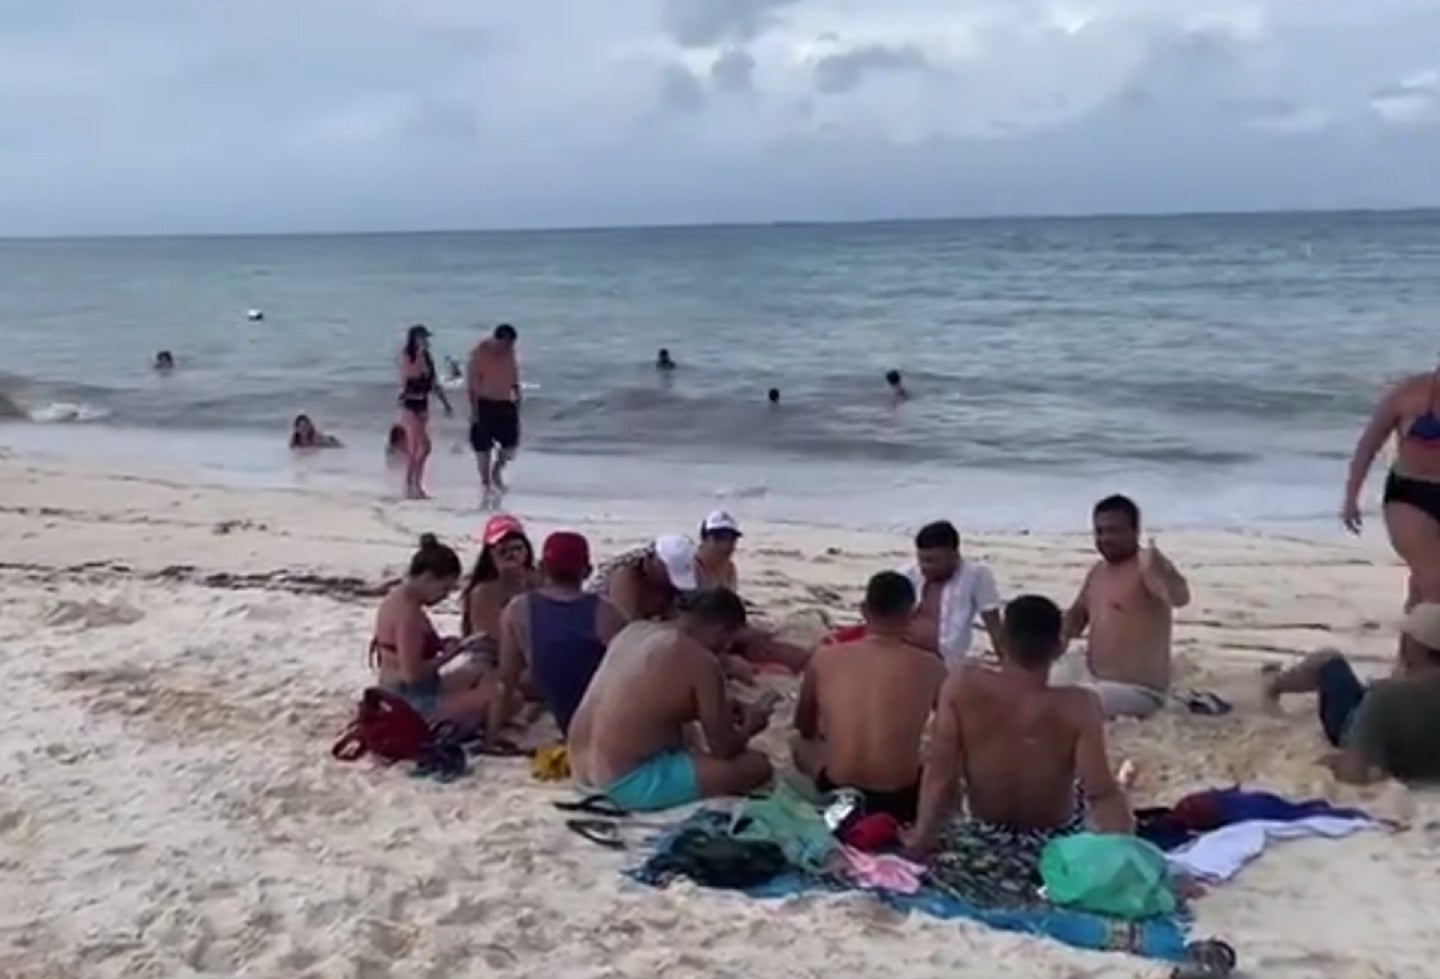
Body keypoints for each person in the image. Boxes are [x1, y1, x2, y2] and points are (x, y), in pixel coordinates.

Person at [905, 595, 1133, 858]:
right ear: (1059, 647)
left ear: (1001, 640)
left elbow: (940, 774)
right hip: (1051, 840)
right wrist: (1125, 850)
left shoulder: (962, 688)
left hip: (985, 832)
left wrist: (922, 838)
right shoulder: (1079, 706)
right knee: (1103, 789)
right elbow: (1100, 792)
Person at [568, 588, 773, 811]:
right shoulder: (700, 660)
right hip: (623, 784)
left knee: (686, 734)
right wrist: (752, 726)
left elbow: (655, 700)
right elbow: (724, 748)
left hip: (580, 768)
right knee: (756, 766)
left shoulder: (634, 631)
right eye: (728, 641)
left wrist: (722, 707)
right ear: (719, 629)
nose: (726, 649)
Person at [791, 572, 946, 822]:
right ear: (911, 614)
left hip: (837, 790)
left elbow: (803, 727)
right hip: (900, 799)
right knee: (932, 760)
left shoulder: (824, 657)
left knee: (799, 744)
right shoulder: (932, 666)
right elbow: (950, 736)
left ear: (864, 609)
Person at [1263, 604, 1440, 784]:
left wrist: (1331, 764)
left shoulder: (1386, 696)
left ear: (1417, 646)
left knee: (1329, 661)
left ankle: (1272, 686)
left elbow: (1358, 767)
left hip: (1357, 728)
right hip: (1414, 752)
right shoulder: (1395, 692)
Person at [489, 531, 627, 741]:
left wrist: (493, 734)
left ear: (543, 568)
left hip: (557, 709)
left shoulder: (518, 609)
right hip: (598, 719)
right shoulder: (606, 611)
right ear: (587, 571)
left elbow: (506, 680)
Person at [1061, 495, 1190, 719]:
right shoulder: (1098, 572)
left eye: (1113, 531)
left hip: (1139, 691)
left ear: (1135, 531)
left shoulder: (1145, 568)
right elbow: (1075, 619)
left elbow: (1180, 597)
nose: (1105, 538)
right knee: (1036, 691)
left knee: (1071, 706)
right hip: (1096, 680)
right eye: (1099, 531)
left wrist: (1163, 570)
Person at [1344, 366, 1440, 608]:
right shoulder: (1409, 393)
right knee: (1435, 585)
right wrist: (1351, 497)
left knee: (1425, 586)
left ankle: (1413, 641)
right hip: (1411, 495)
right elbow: (1368, 446)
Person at [370, 534, 490, 723]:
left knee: (480, 672)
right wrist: (450, 655)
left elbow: (405, 648)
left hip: (396, 691)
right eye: (444, 589)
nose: (445, 596)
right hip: (412, 702)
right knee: (496, 696)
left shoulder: (396, 597)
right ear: (428, 578)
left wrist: (440, 644)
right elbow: (411, 675)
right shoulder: (408, 615)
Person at [904, 521, 1003, 667]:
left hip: (948, 662)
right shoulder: (907, 575)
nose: (925, 567)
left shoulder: (976, 575)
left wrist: (1008, 668)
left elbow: (994, 625)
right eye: (922, 560)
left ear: (954, 555)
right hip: (907, 656)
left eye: (932, 561)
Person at [460, 514, 538, 667]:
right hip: (493, 662)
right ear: (490, 555)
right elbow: (488, 640)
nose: (511, 555)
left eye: (517, 549)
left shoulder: (537, 581)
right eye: (503, 551)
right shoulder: (483, 591)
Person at [467, 323, 522, 506]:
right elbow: (472, 384)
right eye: (507, 344)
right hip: (484, 402)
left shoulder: (509, 352)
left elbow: (514, 375)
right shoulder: (481, 352)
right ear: (498, 340)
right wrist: (474, 411)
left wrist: (518, 395)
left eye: (511, 345)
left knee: (510, 445)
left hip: (506, 402)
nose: (509, 348)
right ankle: (485, 482)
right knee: (483, 447)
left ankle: (496, 470)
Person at [396, 324, 453, 500]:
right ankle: (409, 486)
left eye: (426, 338)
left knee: (425, 448)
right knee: (415, 447)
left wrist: (445, 403)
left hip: (423, 403)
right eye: (422, 338)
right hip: (409, 403)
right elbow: (411, 375)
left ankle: (417, 484)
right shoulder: (408, 356)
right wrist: (420, 354)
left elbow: (434, 383)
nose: (426, 341)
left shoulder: (427, 358)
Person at [588, 534, 698, 622]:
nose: (669, 579)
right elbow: (625, 628)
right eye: (668, 573)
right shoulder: (625, 575)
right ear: (653, 562)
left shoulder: (691, 565)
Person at [696, 510, 741, 590]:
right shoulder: (690, 569)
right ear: (704, 539)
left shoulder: (729, 569)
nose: (727, 545)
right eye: (720, 538)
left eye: (732, 539)